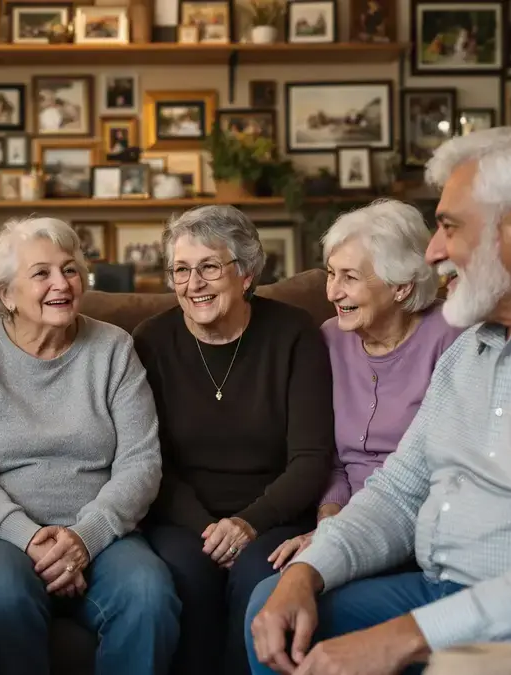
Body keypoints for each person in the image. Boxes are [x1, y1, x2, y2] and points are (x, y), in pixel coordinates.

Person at [246, 127, 511, 675]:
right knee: (274, 605)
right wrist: (309, 570)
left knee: (470, 669)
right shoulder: (472, 344)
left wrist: (408, 637)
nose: (433, 251)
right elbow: (398, 492)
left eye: (449, 226)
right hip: (443, 590)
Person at [0, 216, 180, 675]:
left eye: (69, 269)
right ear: (6, 294)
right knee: (3, 598)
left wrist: (84, 539)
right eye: (41, 273)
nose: (61, 284)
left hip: (98, 529)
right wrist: (32, 540)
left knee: (149, 594)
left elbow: (141, 462)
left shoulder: (113, 348)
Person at [132, 205, 334, 675]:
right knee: (187, 575)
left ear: (245, 274)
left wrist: (247, 523)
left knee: (258, 576)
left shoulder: (293, 333)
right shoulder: (150, 342)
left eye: (208, 267)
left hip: (274, 515)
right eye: (180, 270)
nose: (193, 283)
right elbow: (148, 459)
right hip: (184, 518)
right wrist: (208, 530)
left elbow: (310, 457)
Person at [268, 199, 463, 570]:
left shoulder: (451, 338)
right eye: (330, 274)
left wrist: (345, 538)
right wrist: (329, 525)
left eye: (350, 277)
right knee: (265, 582)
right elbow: (330, 458)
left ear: (401, 287)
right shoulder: (329, 339)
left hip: (414, 522)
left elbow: (447, 467)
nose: (332, 293)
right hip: (339, 520)